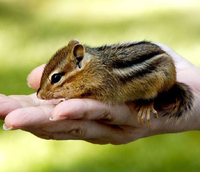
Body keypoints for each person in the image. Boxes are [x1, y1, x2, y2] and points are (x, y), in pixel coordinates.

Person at [0, 43, 200, 145]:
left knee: (157, 78)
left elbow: (109, 95)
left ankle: (149, 100)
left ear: (80, 61)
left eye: (56, 80)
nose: (44, 93)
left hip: (155, 69)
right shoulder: (89, 71)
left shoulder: (100, 76)